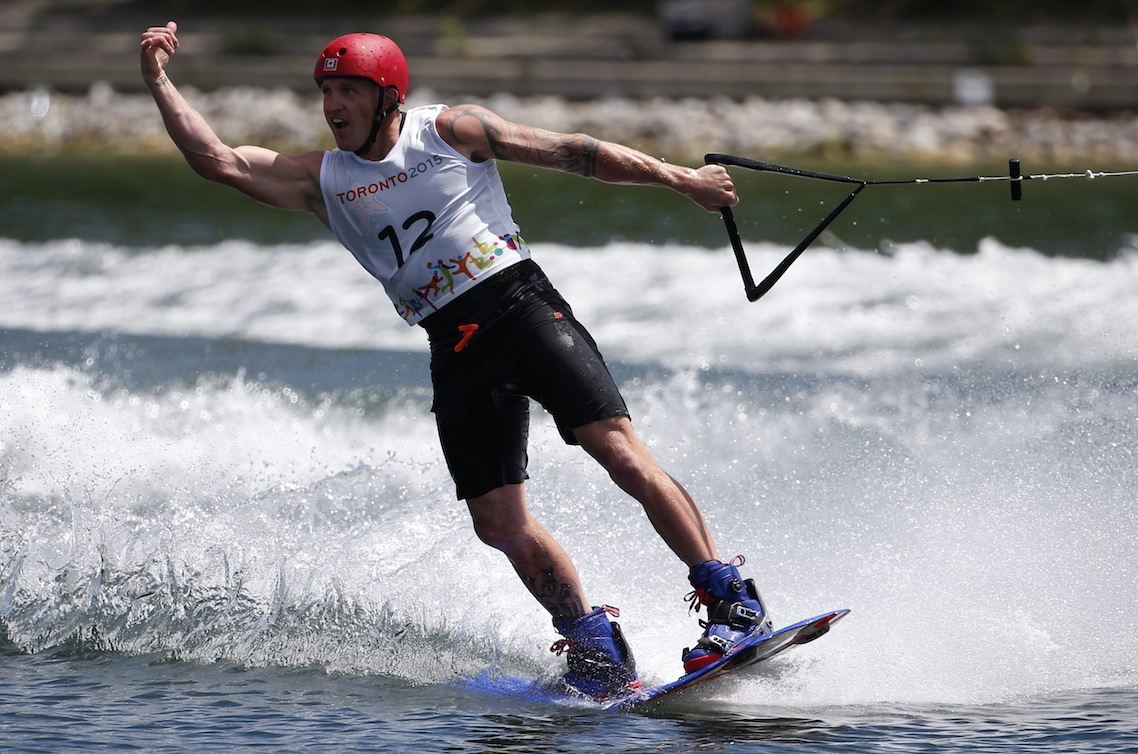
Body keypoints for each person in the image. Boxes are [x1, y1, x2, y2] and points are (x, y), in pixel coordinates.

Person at [139, 22, 771, 698]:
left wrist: (682, 180)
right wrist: (157, 79)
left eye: (348, 92)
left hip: (522, 308)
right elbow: (219, 162)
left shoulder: (449, 131)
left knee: (615, 450)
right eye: (326, 92)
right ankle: (594, 644)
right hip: (453, 344)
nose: (333, 107)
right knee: (496, 521)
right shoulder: (321, 179)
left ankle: (733, 602)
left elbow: (575, 152)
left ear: (387, 96)